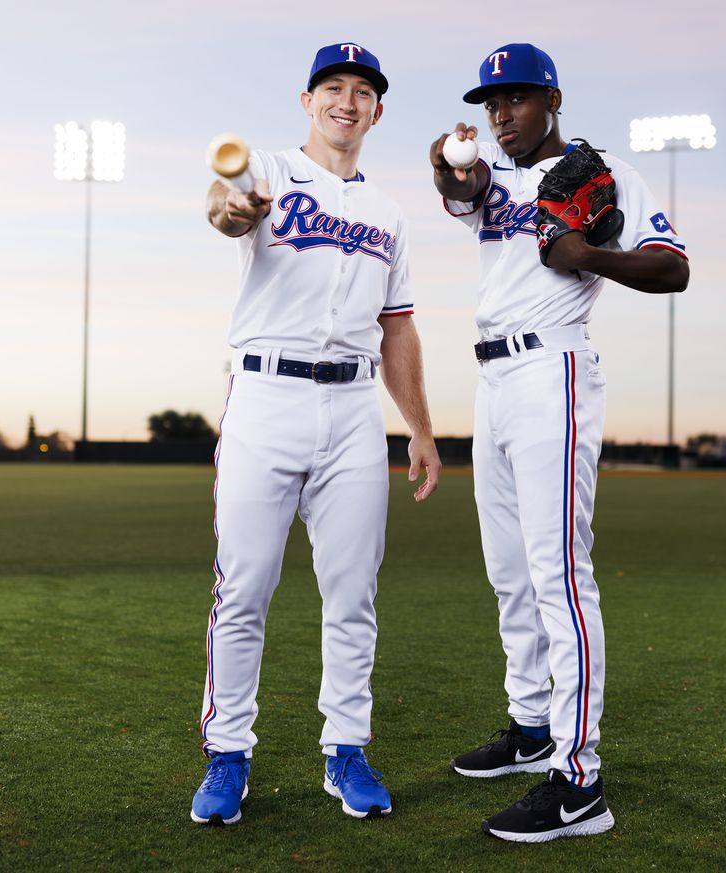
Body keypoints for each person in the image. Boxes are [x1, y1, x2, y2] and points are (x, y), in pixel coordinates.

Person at [430, 43, 689, 843]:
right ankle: (533, 725)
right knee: (509, 570)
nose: (500, 113)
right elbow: (460, 188)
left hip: (555, 369)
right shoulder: (491, 175)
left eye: (515, 98)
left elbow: (672, 267)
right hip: (493, 382)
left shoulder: (602, 171)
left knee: (558, 575)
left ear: (553, 99)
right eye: (490, 102)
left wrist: (590, 256)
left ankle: (579, 782)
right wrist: (448, 168)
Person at [192, 41, 441, 826]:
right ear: (308, 101)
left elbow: (397, 329)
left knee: (353, 593)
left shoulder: (391, 214)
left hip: (354, 412)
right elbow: (223, 204)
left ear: (377, 110)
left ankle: (346, 748)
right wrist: (235, 209)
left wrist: (422, 430)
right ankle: (228, 753)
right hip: (265, 399)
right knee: (245, 588)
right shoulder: (264, 169)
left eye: (362, 91)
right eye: (332, 86)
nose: (347, 100)